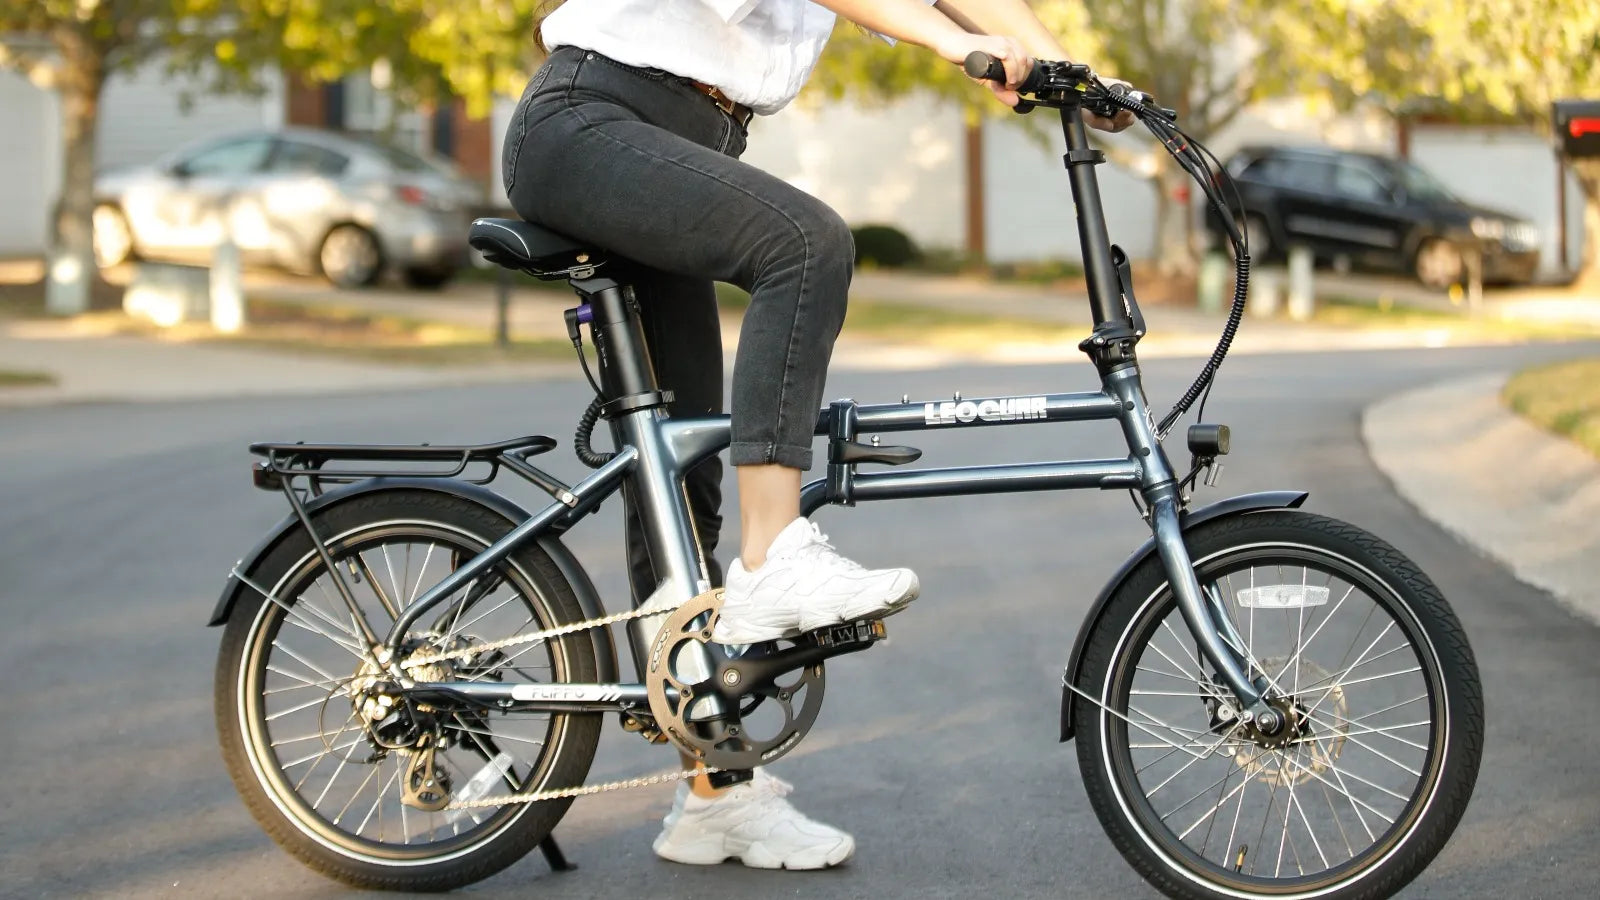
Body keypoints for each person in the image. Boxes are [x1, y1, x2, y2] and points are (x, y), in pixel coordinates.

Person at [504, 0, 1133, 871]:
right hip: (588, 122)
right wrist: (954, 43)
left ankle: (713, 796)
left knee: (680, 484)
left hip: (668, 137)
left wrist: (1077, 72)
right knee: (805, 244)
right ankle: (774, 557)